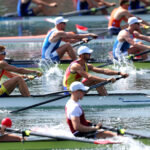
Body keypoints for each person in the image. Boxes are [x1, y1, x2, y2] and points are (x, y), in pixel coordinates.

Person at [63, 46, 128, 96]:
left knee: (96, 80)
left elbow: (103, 71)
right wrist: (106, 80)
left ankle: (105, 98)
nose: (90, 55)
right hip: (69, 90)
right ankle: (106, 99)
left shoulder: (87, 65)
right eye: (88, 54)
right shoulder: (75, 66)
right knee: (94, 79)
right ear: (82, 55)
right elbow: (89, 76)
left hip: (77, 87)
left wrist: (119, 73)